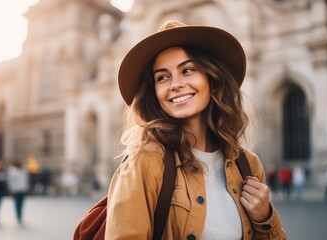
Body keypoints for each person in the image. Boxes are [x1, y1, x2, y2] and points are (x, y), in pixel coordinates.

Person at [105, 20, 286, 239]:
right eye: (162, 77)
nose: (175, 84)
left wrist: (264, 218)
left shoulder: (248, 166)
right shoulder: (143, 163)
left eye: (188, 70)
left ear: (213, 79)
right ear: (154, 93)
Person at [7, 159, 29, 224]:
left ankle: (20, 215)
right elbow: (10, 181)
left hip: (23, 189)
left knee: (21, 203)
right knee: (17, 203)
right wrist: (11, 190)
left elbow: (26, 180)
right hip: (16, 190)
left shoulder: (24, 170)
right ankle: (18, 215)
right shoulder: (12, 171)